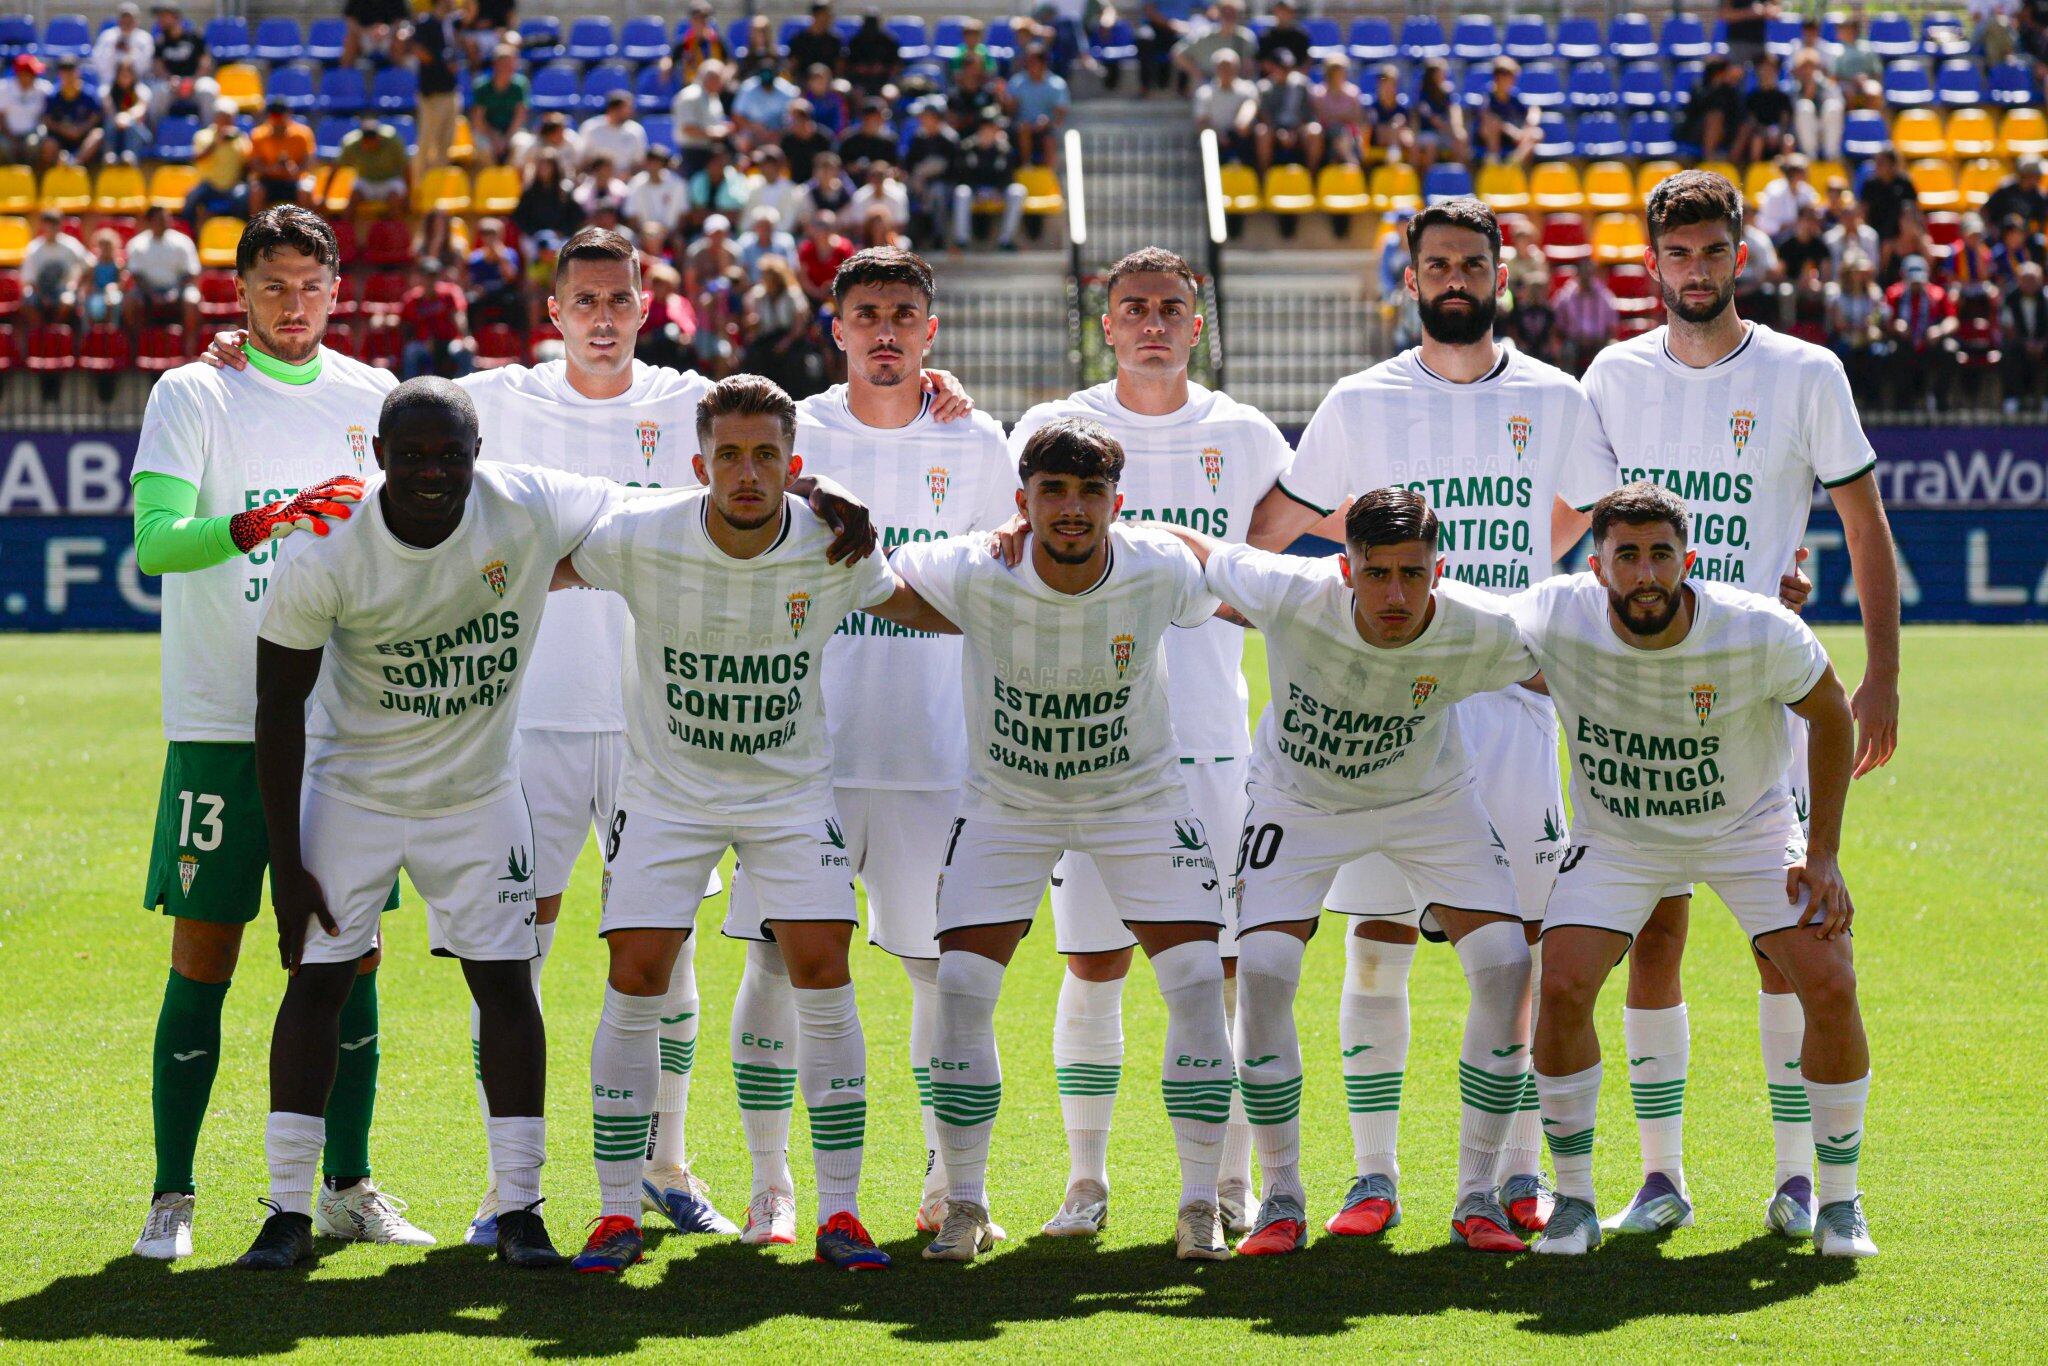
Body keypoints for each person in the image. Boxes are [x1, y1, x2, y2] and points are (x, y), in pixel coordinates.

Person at [1243, 197, 1623, 1241]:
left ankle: (1505, 1174)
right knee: (1376, 939)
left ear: (1501, 274)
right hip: (1386, 711)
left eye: (1470, 262)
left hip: (1508, 705)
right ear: (1405, 280)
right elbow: (1270, 525)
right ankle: (1372, 1179)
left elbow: (1595, 518)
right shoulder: (1359, 400)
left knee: (1520, 946)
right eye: (1435, 264)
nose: (1453, 277)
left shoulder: (1555, 397)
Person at [1580, 169, 1899, 1238]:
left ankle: (1798, 1178)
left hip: (1757, 694)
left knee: (1781, 944)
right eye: (1677, 254)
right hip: (1633, 700)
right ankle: (1659, 1177)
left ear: (1738, 256)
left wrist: (1882, 671)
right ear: (1651, 263)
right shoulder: (1610, 375)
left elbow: (1860, 526)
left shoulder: (1805, 372)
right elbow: (1585, 532)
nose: (1696, 270)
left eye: (1714, 250)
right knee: (1655, 934)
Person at [558, 374, 930, 1273]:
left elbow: (907, 602)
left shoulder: (829, 544)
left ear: (793, 465)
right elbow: (545, 560)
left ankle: (839, 1213)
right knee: (636, 973)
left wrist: (1024, 604)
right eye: (729, 455)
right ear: (699, 464)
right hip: (665, 793)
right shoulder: (641, 534)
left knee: (822, 971)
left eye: (767, 455)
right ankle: (616, 1212)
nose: (747, 472)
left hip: (790, 794)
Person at [237, 377, 609, 1271]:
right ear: (378, 458)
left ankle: (521, 1208)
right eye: (412, 456)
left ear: (479, 457)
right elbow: (277, 709)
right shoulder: (324, 550)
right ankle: (288, 1211)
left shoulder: (526, 505)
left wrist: (793, 497)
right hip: (352, 795)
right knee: (317, 986)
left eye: (451, 455)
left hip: (478, 800)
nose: (433, 471)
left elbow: (659, 508)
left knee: (507, 990)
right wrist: (287, 869)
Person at [127, 206, 424, 1263]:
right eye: (270, 287)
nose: (291, 306)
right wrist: (262, 521)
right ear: (239, 294)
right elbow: (158, 544)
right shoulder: (193, 391)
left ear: (335, 290)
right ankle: (172, 1194)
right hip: (220, 717)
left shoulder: (374, 398)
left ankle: (345, 1184)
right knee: (205, 952)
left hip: (343, 728)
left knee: (353, 957)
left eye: (308, 286)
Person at [1156, 490, 1544, 1255]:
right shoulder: (1292, 591)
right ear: (1345, 568)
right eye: (1376, 575)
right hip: (1299, 802)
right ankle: (1283, 1196)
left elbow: (1591, 657)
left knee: (1505, 966)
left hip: (1431, 799)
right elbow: (1191, 542)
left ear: (1441, 570)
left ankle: (1476, 1195)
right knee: (1262, 970)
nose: (1395, 595)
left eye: (1413, 574)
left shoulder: (1482, 630)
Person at [999, 247, 1297, 1238]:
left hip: (1212, 741)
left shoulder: (1247, 433)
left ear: (1196, 323)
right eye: (1134, 308)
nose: (1153, 324)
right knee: (1092, 965)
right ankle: (1084, 1183)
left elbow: (1266, 575)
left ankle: (1219, 1185)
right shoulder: (1051, 429)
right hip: (1090, 742)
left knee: (1215, 967)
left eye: (1171, 307)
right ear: (1106, 322)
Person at [894, 417, 1237, 1265]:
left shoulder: (1157, 564)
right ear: (1024, 501)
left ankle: (1202, 1205)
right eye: (1053, 492)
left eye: (1091, 493)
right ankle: (965, 1203)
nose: (1073, 509)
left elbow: (1241, 584)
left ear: (1118, 503)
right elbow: (883, 577)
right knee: (966, 989)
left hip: (1138, 797)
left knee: (1196, 982)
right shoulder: (979, 565)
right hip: (1008, 801)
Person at [723, 248, 1016, 1241]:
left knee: (941, 974)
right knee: (771, 964)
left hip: (936, 754)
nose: (884, 330)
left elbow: (1004, 583)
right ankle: (773, 1184)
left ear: (930, 331)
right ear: (834, 327)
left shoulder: (979, 440)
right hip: (801, 753)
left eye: (902, 313)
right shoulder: (792, 435)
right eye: (865, 314)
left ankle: (949, 1184)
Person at [1511, 481, 1877, 1260]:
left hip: (1749, 829)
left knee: (1832, 980)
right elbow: (1466, 638)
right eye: (1628, 556)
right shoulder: (1552, 614)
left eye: (1661, 556)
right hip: (1620, 838)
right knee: (1566, 983)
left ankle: (1838, 1201)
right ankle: (1577, 1199)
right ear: (1598, 564)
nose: (1646, 574)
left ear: (1690, 560)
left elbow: (1831, 710)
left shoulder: (1756, 629)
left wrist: (1824, 855)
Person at [125, 204, 201, 339]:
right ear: (150, 221)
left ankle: (189, 348)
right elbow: (136, 275)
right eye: (159, 218)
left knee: (192, 302)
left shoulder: (183, 242)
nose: (164, 221)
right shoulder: (137, 244)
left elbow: (191, 272)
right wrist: (152, 294)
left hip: (178, 289)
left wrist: (175, 291)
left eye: (166, 218)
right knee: (130, 301)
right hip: (146, 291)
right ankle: (135, 347)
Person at [952, 118, 1026, 253]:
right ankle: (962, 241)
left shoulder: (1005, 149)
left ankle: (1006, 241)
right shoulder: (967, 147)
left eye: (992, 129)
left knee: (1018, 191)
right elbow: (962, 175)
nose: (988, 132)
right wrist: (976, 190)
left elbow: (1009, 176)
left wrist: (998, 190)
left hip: (998, 192)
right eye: (985, 129)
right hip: (975, 191)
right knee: (961, 192)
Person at [411, 0, 464, 178]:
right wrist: (443, 64)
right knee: (426, 145)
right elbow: (420, 52)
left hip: (450, 91)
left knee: (445, 146)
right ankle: (419, 190)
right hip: (432, 94)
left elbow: (471, 12)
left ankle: (437, 191)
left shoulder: (450, 23)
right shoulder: (425, 23)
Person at [1006, 44, 1070, 166]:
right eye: (1028, 62)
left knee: (1049, 140)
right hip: (1020, 129)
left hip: (1046, 129)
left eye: (1033, 62)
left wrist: (1047, 122)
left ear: (1043, 63)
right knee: (1023, 129)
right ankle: (1026, 166)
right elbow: (1010, 111)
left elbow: (1060, 117)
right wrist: (1007, 101)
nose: (1030, 66)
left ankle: (1049, 175)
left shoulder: (1057, 85)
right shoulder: (1017, 82)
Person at [22, 212, 91, 323]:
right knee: (28, 299)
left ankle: (56, 329)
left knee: (67, 301)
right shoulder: (34, 248)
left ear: (60, 226)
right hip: (40, 291)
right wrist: (42, 296)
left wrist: (78, 286)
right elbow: (29, 280)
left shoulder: (71, 245)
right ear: (42, 226)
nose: (50, 229)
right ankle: (38, 332)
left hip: (65, 289)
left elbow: (89, 265)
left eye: (53, 225)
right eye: (47, 225)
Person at [247, 98, 314, 212]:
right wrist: (271, 170)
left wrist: (293, 170)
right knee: (256, 191)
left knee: (306, 190)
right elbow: (255, 165)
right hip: (268, 180)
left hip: (294, 180)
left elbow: (308, 164)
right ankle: (257, 228)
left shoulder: (303, 134)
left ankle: (306, 227)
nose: (278, 124)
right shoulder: (258, 135)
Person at [337, 115, 409, 219]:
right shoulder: (351, 143)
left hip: (390, 181)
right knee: (351, 202)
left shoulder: (393, 140)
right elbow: (336, 168)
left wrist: (407, 195)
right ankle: (345, 233)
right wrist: (325, 196)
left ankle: (396, 233)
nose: (370, 144)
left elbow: (405, 167)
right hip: (365, 181)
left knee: (395, 202)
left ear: (378, 137)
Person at [1194, 51, 1257, 165]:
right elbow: (1202, 122)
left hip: (1241, 138)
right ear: (1215, 69)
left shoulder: (1248, 89)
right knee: (1207, 140)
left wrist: (1239, 129)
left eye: (1229, 67)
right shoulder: (1204, 92)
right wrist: (1219, 135)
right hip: (1215, 139)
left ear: (1237, 68)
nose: (1226, 71)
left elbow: (1245, 120)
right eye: (1222, 67)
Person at [671, 60, 732, 178]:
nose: (722, 83)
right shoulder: (690, 96)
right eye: (720, 79)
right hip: (693, 154)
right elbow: (688, 129)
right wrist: (716, 133)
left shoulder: (712, 96)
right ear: (711, 78)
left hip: (709, 151)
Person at [2000, 261, 2048, 411]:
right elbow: (2008, 327)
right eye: (2025, 279)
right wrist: (2025, 343)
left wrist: (2043, 343)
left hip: (2044, 343)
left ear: (2041, 280)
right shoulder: (2010, 298)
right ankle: (2012, 397)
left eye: (2033, 279)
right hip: (2020, 343)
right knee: (2008, 350)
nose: (2029, 283)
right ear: (2018, 280)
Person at [471, 44, 529, 167]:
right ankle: (490, 181)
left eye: (511, 64)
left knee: (522, 145)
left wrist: (506, 139)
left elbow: (520, 116)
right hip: (487, 133)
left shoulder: (519, 86)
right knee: (484, 149)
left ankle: (511, 181)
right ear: (495, 65)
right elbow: (478, 120)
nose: (508, 68)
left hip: (511, 132)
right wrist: (494, 138)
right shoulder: (481, 87)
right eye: (504, 64)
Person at [1476, 57, 1541, 166]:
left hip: (1514, 138)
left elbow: (1534, 109)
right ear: (1497, 77)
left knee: (1536, 133)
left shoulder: (1514, 96)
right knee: (1491, 125)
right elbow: (1488, 118)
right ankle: (1493, 160)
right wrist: (1511, 131)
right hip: (1492, 140)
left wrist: (1530, 123)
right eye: (1508, 77)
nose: (1512, 81)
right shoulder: (1488, 96)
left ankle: (1514, 163)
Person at [44, 57, 104, 164]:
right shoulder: (53, 96)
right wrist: (63, 129)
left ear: (78, 73)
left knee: (97, 135)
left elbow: (96, 116)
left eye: (71, 72)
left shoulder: (89, 94)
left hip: (82, 136)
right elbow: (47, 120)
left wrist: (81, 129)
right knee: (49, 144)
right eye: (65, 73)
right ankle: (52, 172)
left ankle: (75, 163)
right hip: (61, 138)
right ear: (59, 74)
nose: (68, 76)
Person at [579, 91, 648, 175]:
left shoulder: (636, 130)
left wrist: (626, 176)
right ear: (612, 109)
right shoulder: (590, 128)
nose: (631, 112)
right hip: (595, 179)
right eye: (627, 108)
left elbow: (640, 163)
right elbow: (583, 161)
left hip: (627, 181)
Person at [91, 2, 155, 89]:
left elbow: (146, 67)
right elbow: (98, 64)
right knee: (102, 93)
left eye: (130, 19)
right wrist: (112, 50)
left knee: (145, 94)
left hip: (137, 84)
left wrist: (131, 53)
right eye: (124, 19)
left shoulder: (145, 38)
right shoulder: (107, 36)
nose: (127, 22)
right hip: (110, 83)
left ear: (136, 20)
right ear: (119, 20)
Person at [0, 53, 48, 167]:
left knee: (33, 143)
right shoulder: (4, 89)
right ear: (21, 74)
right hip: (8, 134)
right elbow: (1, 117)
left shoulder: (43, 89)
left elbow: (44, 117)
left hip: (31, 133)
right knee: (3, 145)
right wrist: (11, 137)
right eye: (31, 73)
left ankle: (31, 174)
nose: (35, 76)